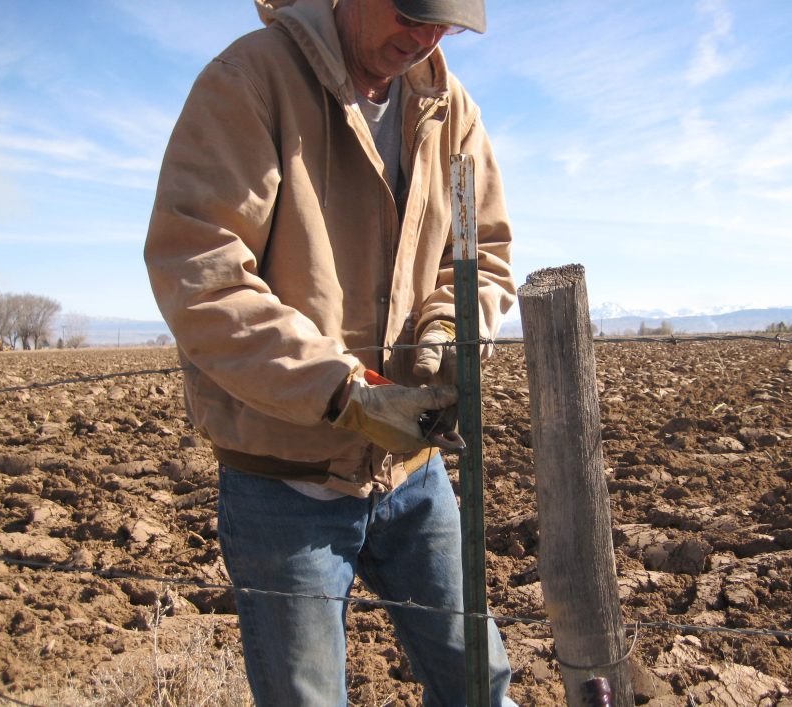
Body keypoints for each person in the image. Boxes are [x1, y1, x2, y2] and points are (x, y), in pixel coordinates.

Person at [144, 0, 517, 703]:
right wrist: (345, 392)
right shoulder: (251, 80)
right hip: (284, 479)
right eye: (411, 13)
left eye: (444, 25)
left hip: (414, 471)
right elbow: (199, 268)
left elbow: (481, 254)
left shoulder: (450, 108)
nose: (425, 38)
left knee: (481, 683)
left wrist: (446, 332)